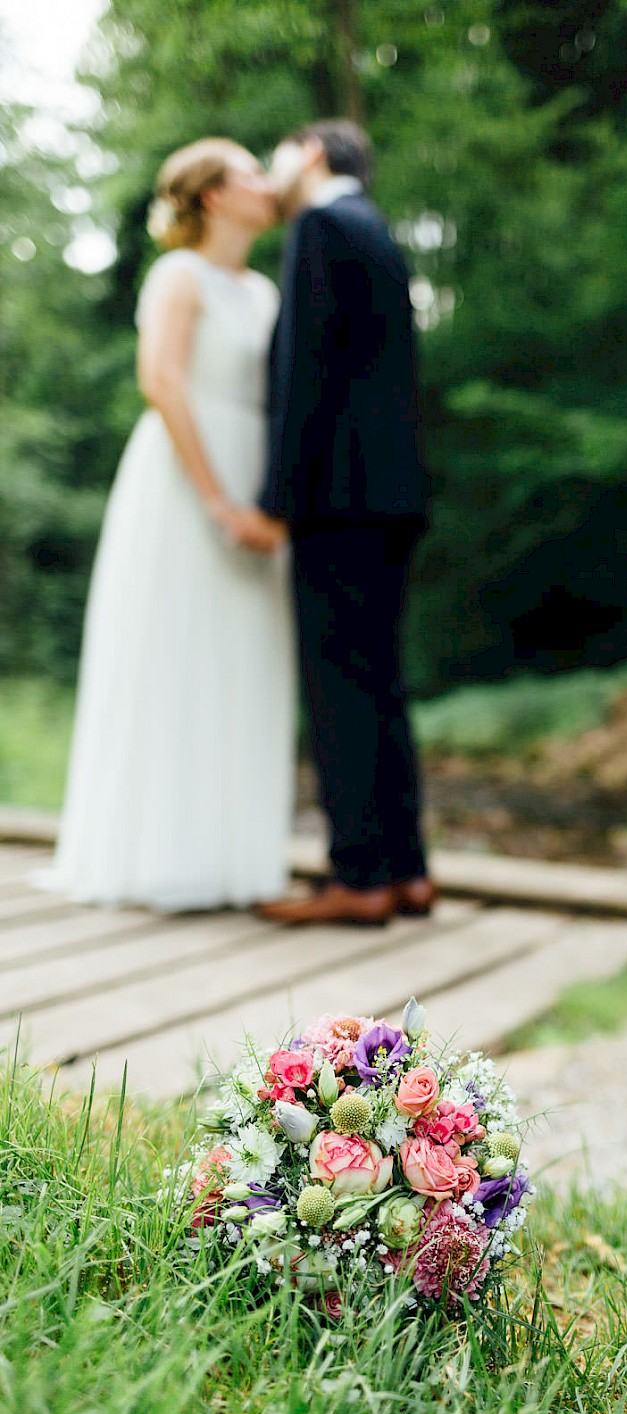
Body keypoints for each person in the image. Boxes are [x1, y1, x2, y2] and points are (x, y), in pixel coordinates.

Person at [39, 139, 295, 911]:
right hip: (184, 481)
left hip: (257, 476)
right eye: (250, 172)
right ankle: (157, 856)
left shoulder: (264, 291)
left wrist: (272, 501)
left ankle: (235, 860)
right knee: (174, 650)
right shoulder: (177, 276)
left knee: (244, 658)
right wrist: (219, 500)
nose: (265, 183)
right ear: (213, 196)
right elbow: (162, 382)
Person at [254, 119, 434, 926]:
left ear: (315, 153)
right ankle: (408, 872)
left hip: (337, 498)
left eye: (281, 152)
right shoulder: (377, 230)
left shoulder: (320, 224)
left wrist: (275, 498)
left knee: (338, 689)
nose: (273, 168)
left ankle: (357, 877)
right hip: (394, 495)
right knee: (382, 682)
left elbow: (304, 372)